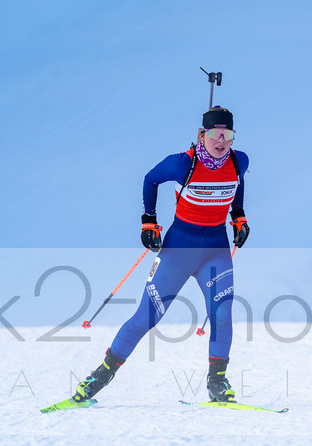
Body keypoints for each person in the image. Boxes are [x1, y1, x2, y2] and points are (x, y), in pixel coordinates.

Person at [71, 106, 250, 404]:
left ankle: (217, 382)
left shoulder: (238, 161)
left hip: (216, 251)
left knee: (222, 313)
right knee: (147, 316)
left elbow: (238, 182)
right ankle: (100, 375)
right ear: (202, 135)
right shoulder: (183, 164)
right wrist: (148, 222)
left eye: (228, 135)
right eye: (216, 134)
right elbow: (150, 179)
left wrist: (239, 216)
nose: (221, 141)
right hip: (179, 250)